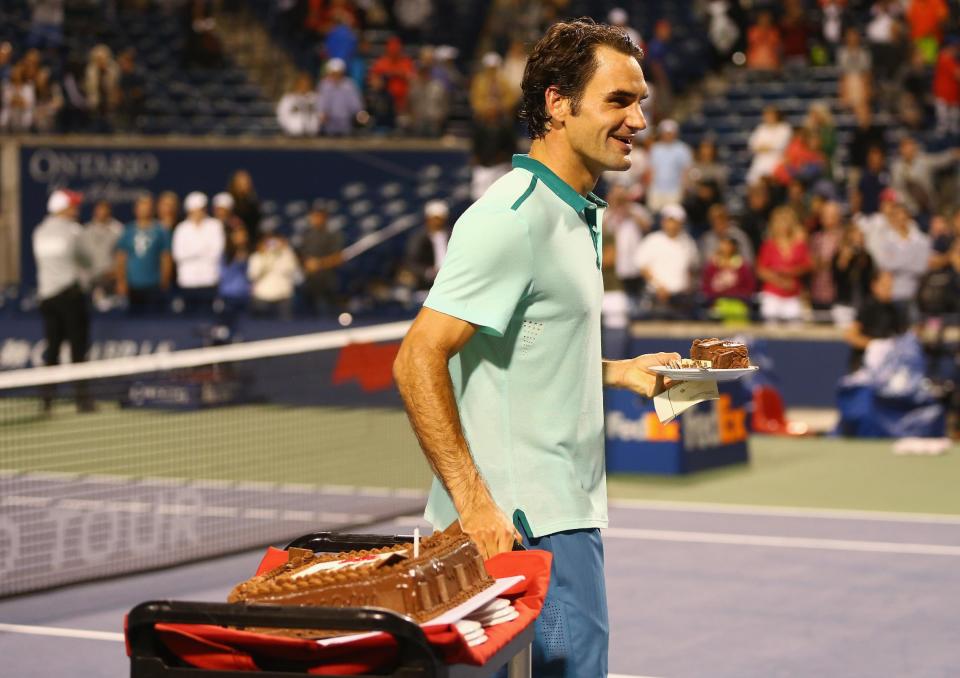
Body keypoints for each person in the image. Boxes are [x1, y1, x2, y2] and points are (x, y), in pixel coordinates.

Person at [393, 21, 681, 678]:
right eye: (618, 101)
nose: (638, 119)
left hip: (550, 514)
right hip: (522, 525)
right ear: (557, 103)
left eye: (640, 102)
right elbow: (417, 357)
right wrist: (474, 504)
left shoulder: (573, 210)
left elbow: (522, 350)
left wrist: (614, 372)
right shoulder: (513, 216)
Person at [33, 189, 93, 412]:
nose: (76, 209)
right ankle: (82, 400)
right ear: (61, 209)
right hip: (70, 297)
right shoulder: (74, 231)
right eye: (72, 205)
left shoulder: (39, 231)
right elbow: (87, 260)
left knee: (53, 349)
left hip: (47, 298)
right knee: (78, 350)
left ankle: (47, 400)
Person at [635, 204, 700, 318]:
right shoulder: (653, 240)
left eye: (675, 221)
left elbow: (693, 268)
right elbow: (642, 267)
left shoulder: (688, 243)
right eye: (669, 220)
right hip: (657, 297)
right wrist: (659, 287)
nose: (671, 224)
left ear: (681, 223)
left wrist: (689, 287)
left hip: (682, 299)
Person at [116, 193, 172, 314]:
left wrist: (165, 280)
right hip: (133, 285)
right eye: (141, 205)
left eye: (147, 205)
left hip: (154, 284)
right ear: (136, 209)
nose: (144, 209)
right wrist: (121, 281)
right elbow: (121, 257)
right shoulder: (128, 230)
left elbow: (166, 257)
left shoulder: (161, 230)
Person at [757, 206, 813, 323]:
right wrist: (780, 282)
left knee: (795, 328)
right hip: (772, 293)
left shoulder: (799, 244)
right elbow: (761, 270)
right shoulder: (769, 245)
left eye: (785, 221)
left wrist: (790, 272)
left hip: (793, 293)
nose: (782, 225)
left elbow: (808, 265)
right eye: (779, 221)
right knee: (771, 326)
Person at [172, 191, 224, 314]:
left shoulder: (215, 225)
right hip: (187, 281)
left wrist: (192, 251)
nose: (200, 212)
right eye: (197, 209)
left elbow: (216, 252)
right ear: (189, 210)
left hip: (209, 280)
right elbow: (178, 255)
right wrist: (203, 249)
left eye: (202, 208)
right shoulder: (181, 228)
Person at [845, 270, 908, 371]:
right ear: (874, 285)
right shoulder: (866, 307)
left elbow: (902, 337)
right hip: (864, 366)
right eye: (884, 285)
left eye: (891, 286)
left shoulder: (896, 310)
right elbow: (851, 336)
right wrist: (876, 345)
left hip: (887, 367)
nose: (889, 289)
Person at [396, 200, 450, 295]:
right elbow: (411, 261)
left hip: (450, 283)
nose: (437, 221)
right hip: (425, 286)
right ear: (428, 218)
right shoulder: (418, 237)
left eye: (441, 218)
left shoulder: (452, 234)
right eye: (435, 218)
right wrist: (428, 272)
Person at [299, 200, 343, 315]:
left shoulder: (333, 235)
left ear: (324, 217)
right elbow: (302, 255)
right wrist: (306, 263)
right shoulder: (306, 235)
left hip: (327, 282)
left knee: (325, 315)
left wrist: (319, 263)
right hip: (309, 282)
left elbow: (338, 258)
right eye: (313, 216)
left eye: (317, 216)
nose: (314, 219)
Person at [248, 231, 300, 319]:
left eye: (274, 242)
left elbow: (293, 269)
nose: (272, 245)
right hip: (263, 296)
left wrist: (285, 249)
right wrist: (265, 256)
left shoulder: (286, 254)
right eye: (269, 242)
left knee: (286, 327)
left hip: (283, 297)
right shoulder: (257, 257)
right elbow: (253, 275)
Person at [80, 199, 122, 304]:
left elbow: (123, 255)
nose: (102, 213)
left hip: (110, 277)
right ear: (94, 211)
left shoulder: (119, 230)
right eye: (99, 210)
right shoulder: (85, 231)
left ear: (109, 212)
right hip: (90, 278)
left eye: (104, 210)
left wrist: (118, 273)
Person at [646, 119, 692, 211]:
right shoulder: (655, 148)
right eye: (666, 133)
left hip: (675, 190)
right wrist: (648, 187)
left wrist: (684, 187)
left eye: (670, 132)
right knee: (654, 213)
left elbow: (686, 170)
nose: (668, 135)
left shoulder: (682, 149)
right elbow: (650, 169)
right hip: (656, 189)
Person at [317, 58, 363, 136]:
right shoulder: (324, 85)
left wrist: (358, 114)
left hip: (346, 123)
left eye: (338, 73)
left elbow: (356, 105)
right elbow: (320, 103)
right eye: (333, 74)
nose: (335, 76)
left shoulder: (349, 85)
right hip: (328, 124)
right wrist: (322, 113)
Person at [277, 72, 321, 137]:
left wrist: (315, 126)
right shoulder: (289, 98)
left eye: (306, 83)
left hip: (312, 135)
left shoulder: (315, 98)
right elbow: (281, 115)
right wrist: (289, 128)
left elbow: (321, 115)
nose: (304, 86)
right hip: (292, 135)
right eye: (302, 83)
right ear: (297, 84)